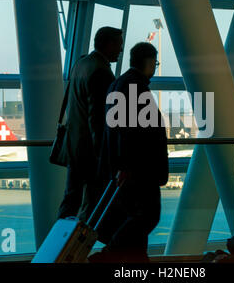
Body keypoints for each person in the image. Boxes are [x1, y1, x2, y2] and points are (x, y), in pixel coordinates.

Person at [88, 42, 169, 263]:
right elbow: (133, 133)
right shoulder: (135, 88)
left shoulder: (117, 84)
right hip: (139, 168)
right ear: (150, 62)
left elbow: (117, 131)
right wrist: (127, 165)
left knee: (135, 218)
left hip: (122, 167)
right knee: (147, 216)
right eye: (156, 63)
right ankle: (109, 254)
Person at [57, 26, 123, 220]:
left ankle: (58, 246)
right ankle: (78, 246)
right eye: (118, 45)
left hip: (74, 145)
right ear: (108, 44)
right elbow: (98, 119)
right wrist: (103, 156)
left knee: (71, 200)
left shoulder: (81, 64)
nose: (120, 50)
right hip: (90, 153)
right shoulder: (101, 72)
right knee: (93, 205)